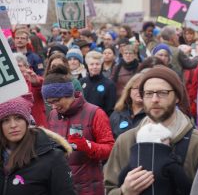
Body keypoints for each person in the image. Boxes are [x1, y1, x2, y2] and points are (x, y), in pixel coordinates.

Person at [104, 65, 198, 195]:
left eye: (162, 93)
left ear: (177, 97)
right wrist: (124, 191)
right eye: (149, 93)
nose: (155, 99)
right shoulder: (126, 141)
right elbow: (109, 189)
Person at [43, 65, 115, 195]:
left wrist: (87, 145)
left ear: (68, 94)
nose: (54, 106)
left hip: (89, 189)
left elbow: (110, 149)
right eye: (49, 102)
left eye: (57, 100)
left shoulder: (95, 113)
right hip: (62, 187)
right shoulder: (53, 115)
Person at [0, 95, 76, 195]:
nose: (13, 125)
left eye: (18, 118)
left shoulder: (53, 158)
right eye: (6, 120)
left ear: (27, 121)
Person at [118, 123, 191, 195]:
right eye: (168, 142)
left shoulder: (134, 161)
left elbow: (121, 178)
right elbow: (185, 185)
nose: (170, 146)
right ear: (160, 141)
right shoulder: (168, 163)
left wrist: (124, 189)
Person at [14, 53, 48, 128]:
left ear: (27, 67)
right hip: (18, 127)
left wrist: (37, 83)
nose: (17, 68)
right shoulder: (11, 86)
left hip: (38, 125)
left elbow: (46, 92)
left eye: (19, 65)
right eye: (14, 66)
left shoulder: (34, 79)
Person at [109, 73, 146, 139]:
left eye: (143, 88)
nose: (140, 92)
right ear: (129, 91)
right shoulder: (118, 113)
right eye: (136, 88)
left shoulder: (152, 115)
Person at [81, 51, 117, 116]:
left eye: (97, 64)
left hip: (100, 120)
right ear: (87, 65)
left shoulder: (109, 85)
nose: (94, 67)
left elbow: (110, 109)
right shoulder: (82, 82)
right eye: (91, 64)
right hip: (83, 119)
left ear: (101, 65)